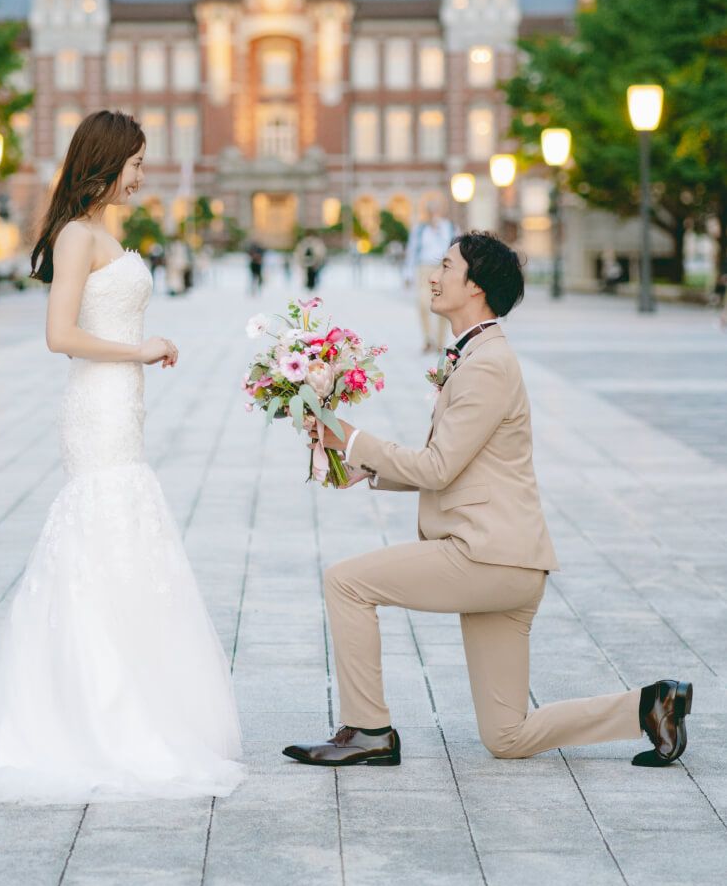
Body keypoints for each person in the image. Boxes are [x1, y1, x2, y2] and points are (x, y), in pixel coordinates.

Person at [285, 232, 692, 770]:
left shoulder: (488, 364)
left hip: (487, 555)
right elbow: (454, 463)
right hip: (509, 563)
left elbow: (437, 466)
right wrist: (367, 472)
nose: (434, 274)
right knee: (507, 735)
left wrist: (351, 438)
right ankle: (650, 705)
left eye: (446, 266)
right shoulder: (478, 355)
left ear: (475, 287)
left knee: (346, 581)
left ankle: (368, 730)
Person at [0, 110, 243, 804]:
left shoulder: (107, 231)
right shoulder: (78, 236)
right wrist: (138, 348)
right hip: (98, 405)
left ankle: (128, 692)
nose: (143, 175)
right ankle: (95, 711)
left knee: (123, 540)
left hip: (122, 401)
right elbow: (59, 334)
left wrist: (144, 345)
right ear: (105, 162)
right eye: (135, 162)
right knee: (102, 529)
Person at [404, 198, 456, 353]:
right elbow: (412, 251)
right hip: (424, 268)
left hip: (443, 267)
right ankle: (428, 338)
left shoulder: (450, 228)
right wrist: (407, 273)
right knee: (423, 303)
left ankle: (440, 341)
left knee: (444, 305)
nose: (434, 213)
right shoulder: (420, 230)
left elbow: (455, 249)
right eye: (430, 210)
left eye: (436, 209)